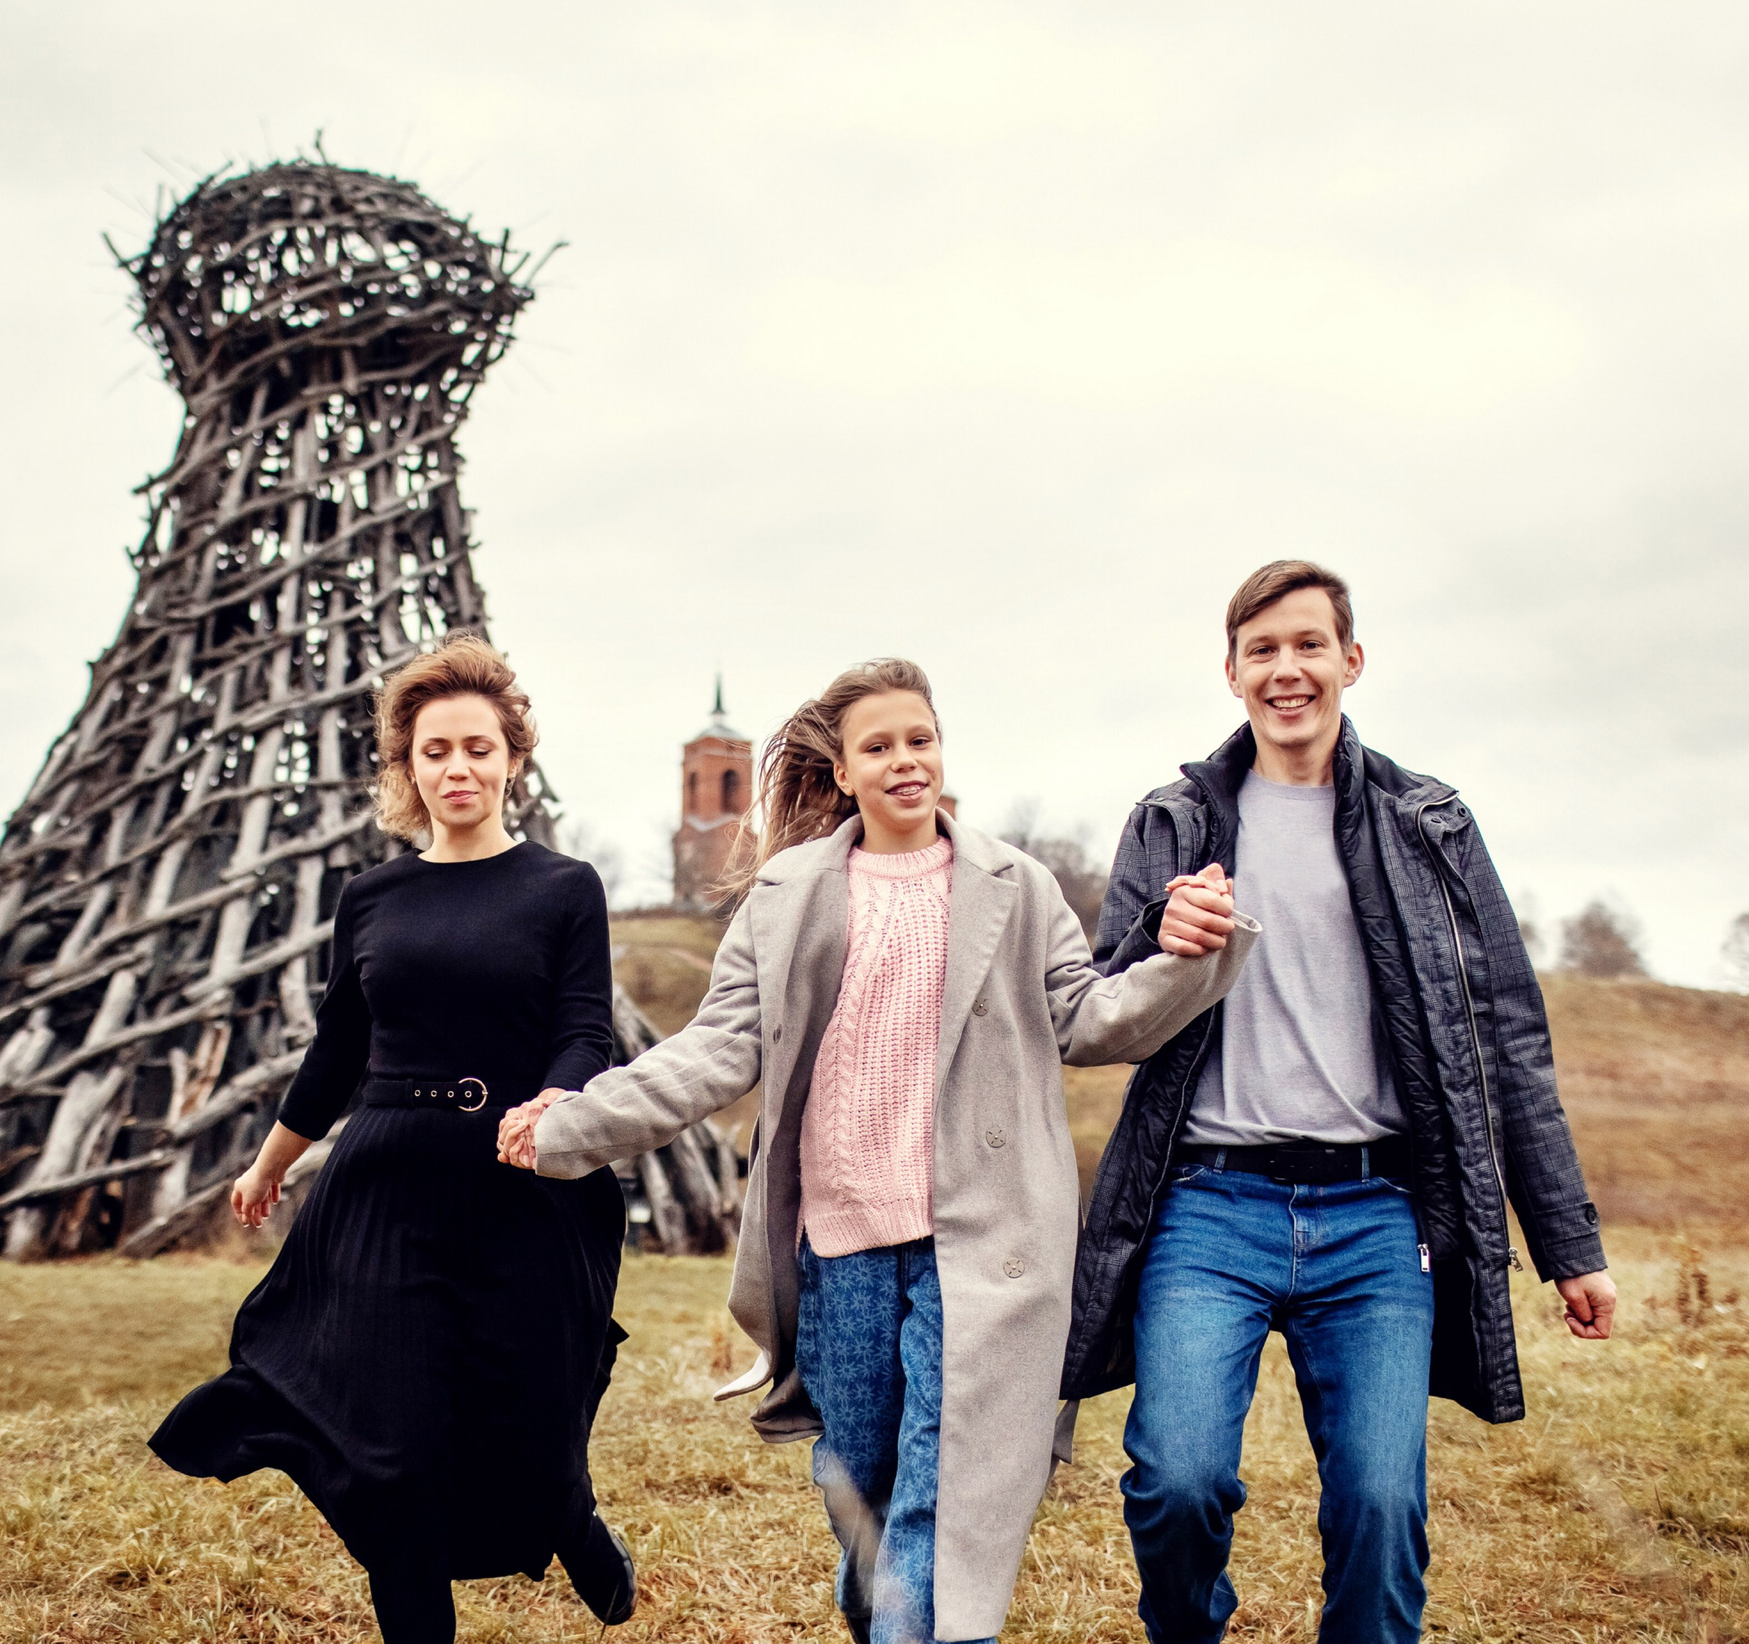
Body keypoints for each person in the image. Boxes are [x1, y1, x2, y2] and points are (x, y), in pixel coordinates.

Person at [499, 658, 1258, 1644]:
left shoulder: (1016, 886)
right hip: (840, 1243)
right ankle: (872, 1607)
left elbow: (1091, 1023)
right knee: (861, 1480)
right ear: (844, 771)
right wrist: (570, 1126)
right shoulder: (786, 896)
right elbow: (715, 1051)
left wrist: (1190, 958)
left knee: (940, 1499)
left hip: (984, 1243)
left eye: (919, 739)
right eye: (879, 746)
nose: (905, 760)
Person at [1067, 560, 1617, 1644]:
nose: (1288, 670)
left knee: (1377, 1501)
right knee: (1175, 1480)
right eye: (1263, 650)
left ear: (1350, 662)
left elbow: (1505, 1037)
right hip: (1207, 1205)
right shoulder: (1173, 820)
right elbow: (1099, 1011)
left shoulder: (1429, 824)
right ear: (1230, 674)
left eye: (1309, 645)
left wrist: (1567, 1242)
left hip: (1377, 1215)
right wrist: (1159, 943)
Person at [149, 635, 635, 1644]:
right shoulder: (371, 897)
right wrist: (271, 1161)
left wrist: (553, 1101)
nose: (457, 769)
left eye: (477, 748)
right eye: (435, 752)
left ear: (512, 758)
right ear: (407, 768)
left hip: (519, 1176)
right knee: (392, 1447)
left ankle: (566, 1512)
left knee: (533, 1405)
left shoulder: (562, 886)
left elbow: (585, 1024)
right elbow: (339, 1047)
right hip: (385, 1183)